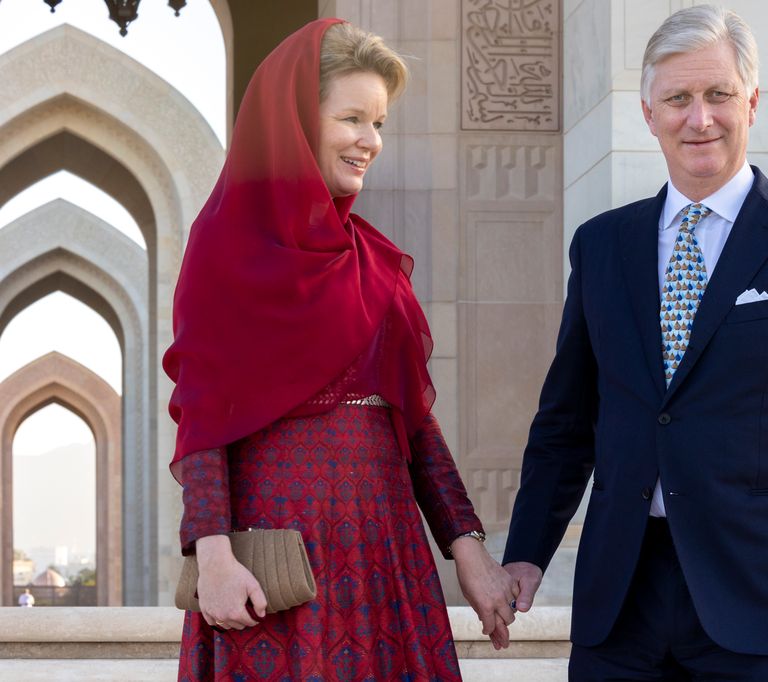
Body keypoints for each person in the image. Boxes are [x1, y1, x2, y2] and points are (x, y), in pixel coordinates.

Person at [502, 5, 768, 680]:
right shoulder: (601, 246)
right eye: (679, 99)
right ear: (649, 112)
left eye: (718, 95)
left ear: (751, 101)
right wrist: (525, 553)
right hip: (620, 602)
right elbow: (568, 421)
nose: (700, 118)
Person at [164, 19, 517, 681]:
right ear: (294, 121)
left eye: (379, 123)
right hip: (275, 568)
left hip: (385, 556)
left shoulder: (373, 262)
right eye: (352, 118)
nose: (370, 141)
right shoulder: (225, 249)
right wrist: (211, 556)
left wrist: (468, 550)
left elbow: (412, 422)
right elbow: (204, 415)